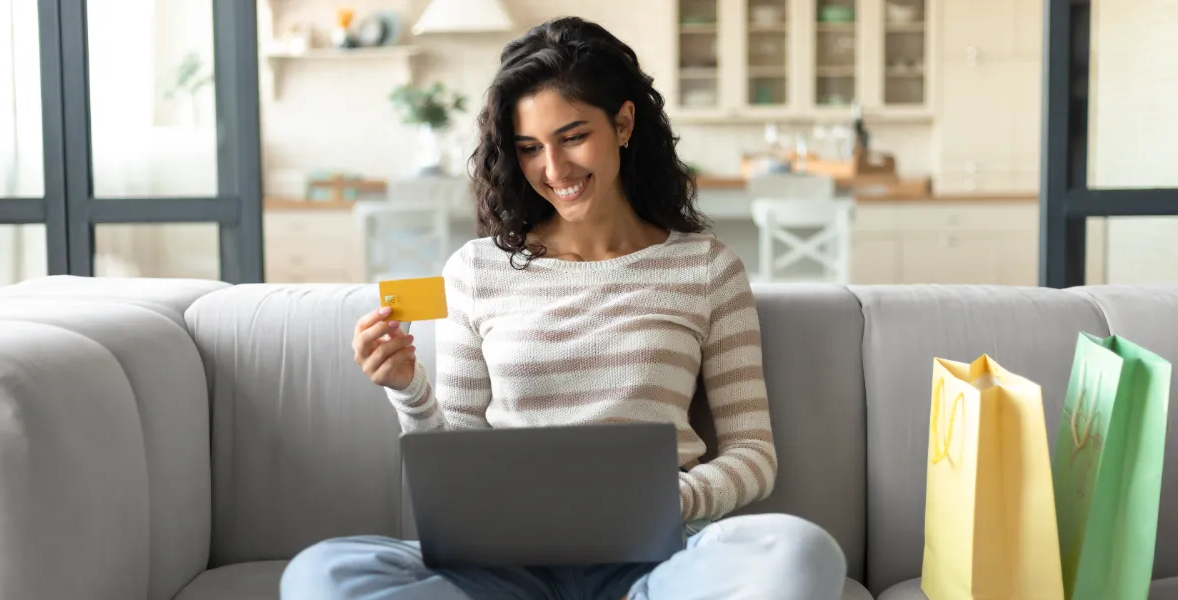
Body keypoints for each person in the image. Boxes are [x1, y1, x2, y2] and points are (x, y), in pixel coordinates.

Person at [280, 16, 846, 600]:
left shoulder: (707, 268)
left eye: (573, 137)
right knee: (319, 574)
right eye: (530, 149)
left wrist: (664, 501)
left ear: (623, 122)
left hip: (657, 560)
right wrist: (408, 387)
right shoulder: (475, 270)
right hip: (505, 563)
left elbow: (753, 456)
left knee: (802, 554)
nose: (554, 171)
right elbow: (459, 462)